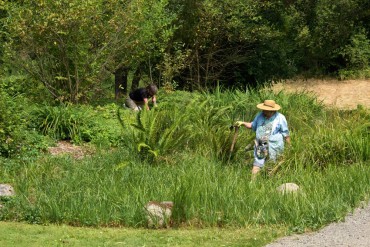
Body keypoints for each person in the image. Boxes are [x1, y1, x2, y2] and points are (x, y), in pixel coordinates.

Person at [235, 99, 291, 177]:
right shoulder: (260, 115)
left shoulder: (280, 118)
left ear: (272, 111)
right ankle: (252, 183)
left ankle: (270, 180)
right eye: (264, 109)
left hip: (275, 145)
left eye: (267, 110)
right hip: (261, 142)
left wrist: (289, 146)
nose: (264, 111)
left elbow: (285, 134)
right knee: (257, 162)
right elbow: (252, 125)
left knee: (272, 164)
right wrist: (243, 123)